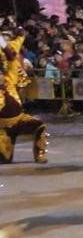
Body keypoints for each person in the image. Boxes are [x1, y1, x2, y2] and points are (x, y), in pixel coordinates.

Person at [0, 33, 48, 164]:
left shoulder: (9, 78)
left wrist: (3, 43)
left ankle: (39, 155)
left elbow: (11, 57)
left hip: (19, 120)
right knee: (5, 160)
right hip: (2, 128)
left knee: (40, 125)